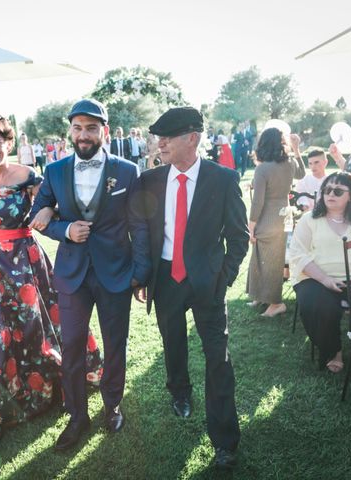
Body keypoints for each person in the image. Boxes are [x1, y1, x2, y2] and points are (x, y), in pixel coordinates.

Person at [0, 114, 103, 445]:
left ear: (8, 142)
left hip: (26, 259)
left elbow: (49, 206)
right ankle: (1, 395)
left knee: (37, 323)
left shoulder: (27, 176)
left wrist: (48, 212)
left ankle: (46, 384)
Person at [132, 107, 248, 470]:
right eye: (158, 136)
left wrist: (223, 277)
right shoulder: (149, 180)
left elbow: (239, 237)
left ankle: (225, 440)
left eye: (168, 136)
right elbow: (142, 233)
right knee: (173, 342)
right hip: (165, 279)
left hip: (207, 281)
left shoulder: (223, 179)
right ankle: (179, 393)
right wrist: (143, 275)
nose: (159, 143)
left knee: (218, 357)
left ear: (193, 138)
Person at [31, 99, 150, 451]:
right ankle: (77, 415)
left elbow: (140, 225)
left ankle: (112, 404)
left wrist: (141, 272)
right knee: (71, 347)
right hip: (72, 274)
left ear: (105, 131)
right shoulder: (54, 171)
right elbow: (39, 213)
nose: (84, 135)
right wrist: (65, 230)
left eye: (91, 128)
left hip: (116, 272)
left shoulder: (128, 171)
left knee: (115, 344)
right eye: (78, 128)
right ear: (70, 130)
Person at [289, 172, 351, 373]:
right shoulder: (309, 219)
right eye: (327, 190)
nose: (330, 194)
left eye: (338, 191)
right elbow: (297, 254)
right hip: (317, 278)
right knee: (317, 305)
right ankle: (333, 351)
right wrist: (325, 280)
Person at [246, 128, 305, 317]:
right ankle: (260, 296)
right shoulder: (289, 162)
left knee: (271, 260)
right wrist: (296, 150)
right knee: (264, 256)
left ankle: (276, 303)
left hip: (269, 216)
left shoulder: (262, 168)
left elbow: (258, 201)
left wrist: (251, 226)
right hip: (284, 213)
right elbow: (302, 173)